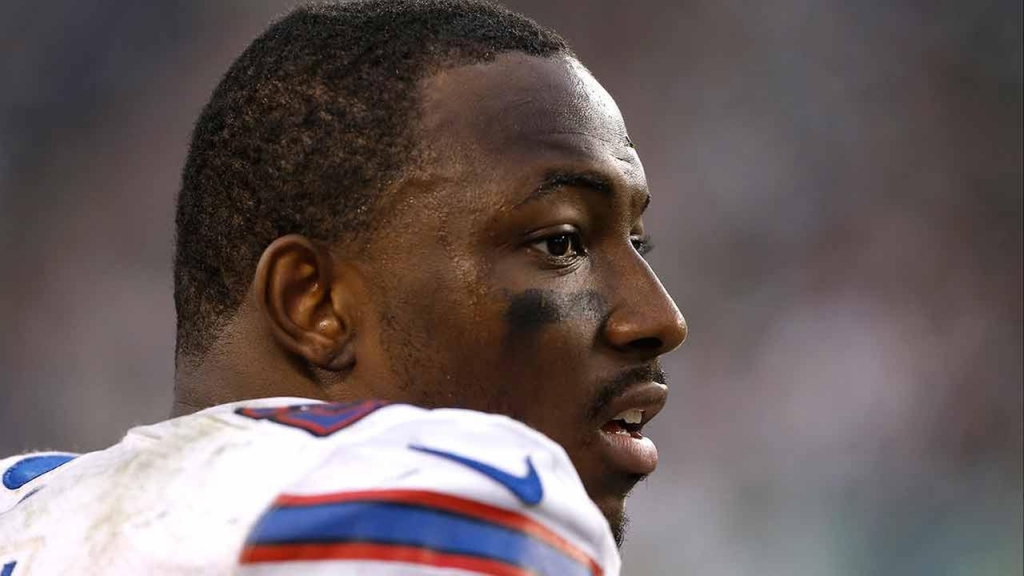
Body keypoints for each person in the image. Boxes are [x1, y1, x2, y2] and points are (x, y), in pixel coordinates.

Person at [0, 1, 686, 573]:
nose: (661, 318)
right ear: (316, 306)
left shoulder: (18, 506)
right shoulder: (446, 502)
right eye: (560, 243)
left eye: (637, 243)